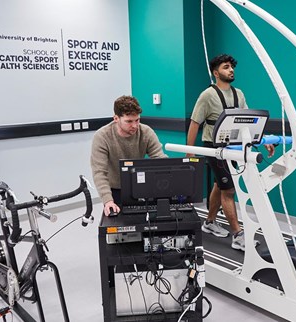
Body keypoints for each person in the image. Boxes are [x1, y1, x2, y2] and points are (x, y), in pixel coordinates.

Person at [186, 54, 274, 251]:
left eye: (232, 67)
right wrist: (189, 153)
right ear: (216, 73)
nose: (231, 70)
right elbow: (195, 123)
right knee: (229, 189)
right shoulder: (207, 95)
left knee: (220, 183)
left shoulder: (239, 94)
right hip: (213, 147)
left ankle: (209, 222)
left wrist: (264, 140)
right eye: (226, 67)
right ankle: (237, 235)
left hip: (232, 147)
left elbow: (249, 120)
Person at [91, 95, 166, 216]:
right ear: (116, 118)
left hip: (140, 186)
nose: (135, 125)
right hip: (114, 189)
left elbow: (160, 160)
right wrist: (108, 200)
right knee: (118, 226)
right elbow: (99, 172)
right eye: (129, 121)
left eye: (137, 120)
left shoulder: (146, 132)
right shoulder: (102, 136)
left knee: (144, 225)